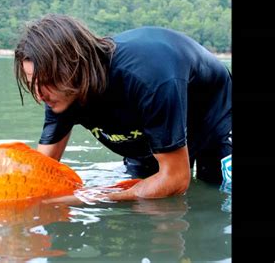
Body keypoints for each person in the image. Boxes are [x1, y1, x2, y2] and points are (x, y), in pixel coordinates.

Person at [13, 14, 232, 201]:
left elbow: (176, 179)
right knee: (146, 196)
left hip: (212, 114)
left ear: (74, 67)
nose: (40, 96)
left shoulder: (147, 79)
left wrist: (92, 197)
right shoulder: (60, 93)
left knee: (216, 192)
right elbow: (41, 172)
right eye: (34, 84)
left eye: (46, 81)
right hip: (150, 125)